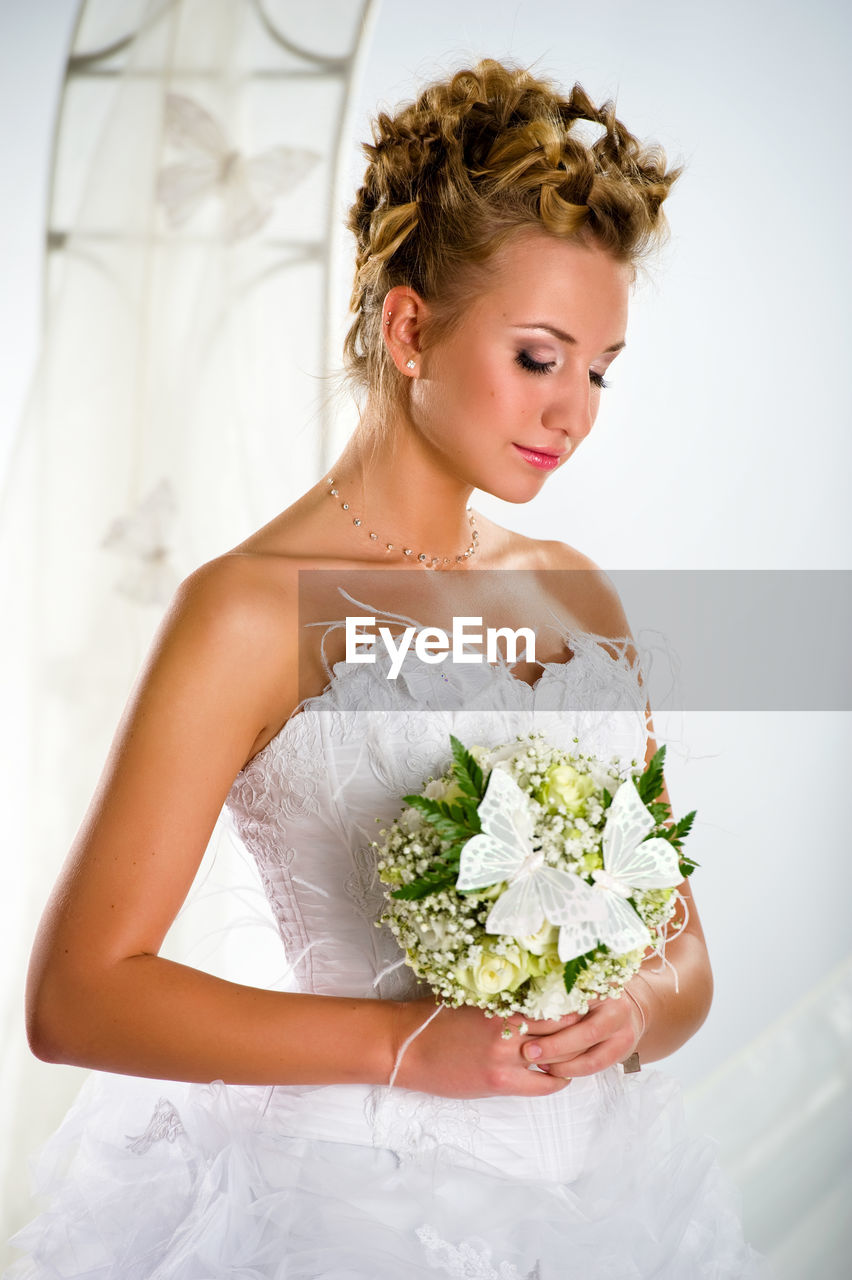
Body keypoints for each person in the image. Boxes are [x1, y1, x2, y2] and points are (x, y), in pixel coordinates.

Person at [6, 58, 768, 1279]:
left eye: (600, 368)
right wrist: (409, 1046)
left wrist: (631, 1014)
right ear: (410, 326)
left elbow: (685, 952)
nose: (575, 410)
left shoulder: (575, 590)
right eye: (539, 355)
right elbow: (77, 995)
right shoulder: (244, 612)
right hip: (348, 1209)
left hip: (607, 1207)